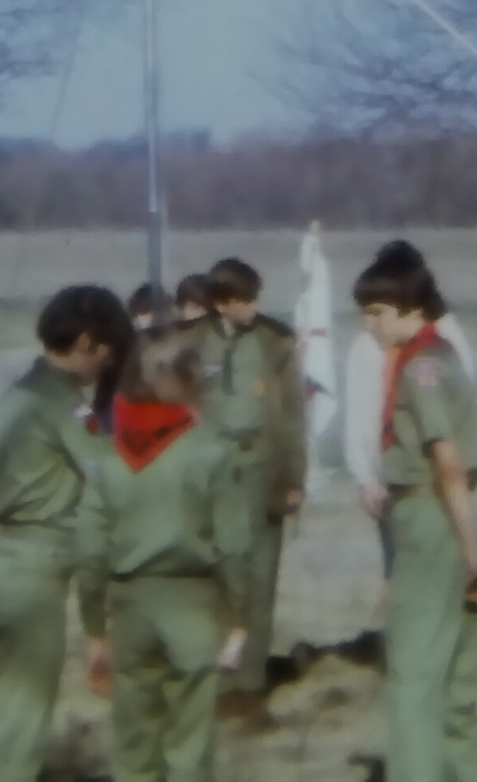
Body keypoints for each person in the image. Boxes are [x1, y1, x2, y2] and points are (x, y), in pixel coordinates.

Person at [0, 287, 131, 782]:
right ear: (87, 342)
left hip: (9, 558)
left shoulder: (24, 391)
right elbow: (106, 469)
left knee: (15, 699)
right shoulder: (60, 403)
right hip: (39, 556)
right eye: (108, 351)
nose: (108, 363)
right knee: (28, 707)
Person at [77, 326, 234, 782]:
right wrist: (240, 615)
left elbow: (88, 551)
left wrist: (93, 628)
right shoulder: (210, 451)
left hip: (129, 604)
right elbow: (233, 547)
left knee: (133, 742)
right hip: (193, 599)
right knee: (191, 740)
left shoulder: (107, 457)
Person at [360, 246, 477, 782]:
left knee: (414, 673)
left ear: (412, 309)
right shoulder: (441, 353)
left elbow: (446, 460)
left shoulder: (421, 369)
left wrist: (473, 550)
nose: (369, 325)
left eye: (378, 312)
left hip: (430, 512)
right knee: (457, 676)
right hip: (449, 518)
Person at [200, 255, 305, 710]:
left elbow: (291, 417)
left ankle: (250, 682)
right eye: (243, 300)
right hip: (209, 473)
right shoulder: (190, 341)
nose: (252, 307)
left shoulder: (275, 342)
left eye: (255, 298)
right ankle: (215, 679)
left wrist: (293, 476)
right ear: (221, 303)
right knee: (220, 574)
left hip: (262, 467)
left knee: (261, 575)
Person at [341, 241, 477, 584]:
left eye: (379, 310)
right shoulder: (367, 346)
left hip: (430, 482)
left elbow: (454, 417)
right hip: (388, 474)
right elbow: (359, 413)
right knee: (399, 574)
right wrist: (364, 476)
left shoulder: (439, 346)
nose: (371, 322)